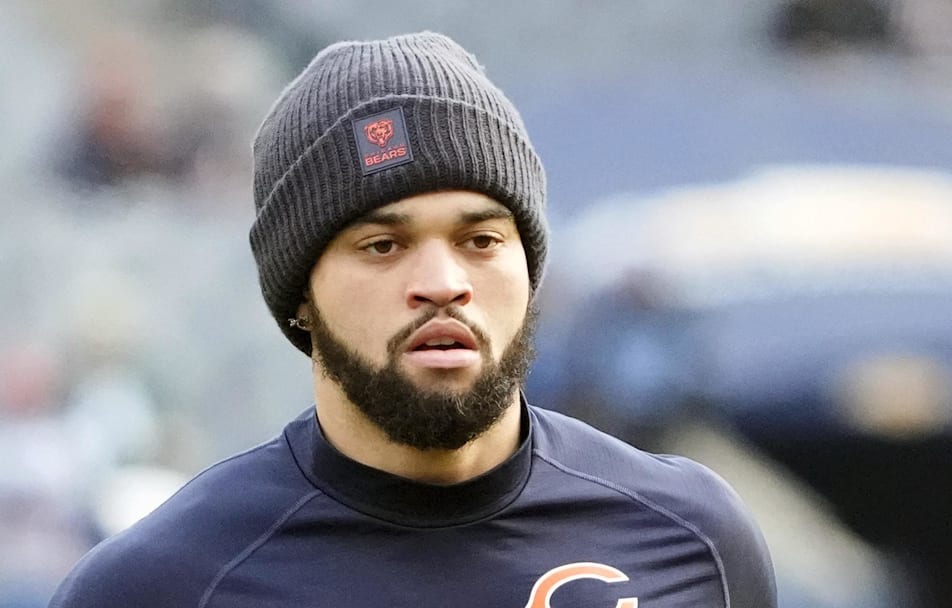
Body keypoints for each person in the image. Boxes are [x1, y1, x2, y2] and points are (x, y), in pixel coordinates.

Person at [48, 32, 776, 608]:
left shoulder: (692, 540)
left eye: (481, 239)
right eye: (383, 245)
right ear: (300, 293)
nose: (442, 284)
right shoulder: (163, 585)